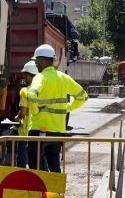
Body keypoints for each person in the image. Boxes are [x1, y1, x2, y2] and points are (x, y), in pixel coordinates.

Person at [26, 44, 88, 172]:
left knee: (36, 167)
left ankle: (41, 191)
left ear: (43, 61)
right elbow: (83, 96)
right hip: (58, 131)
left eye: (37, 61)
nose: (36, 65)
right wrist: (68, 108)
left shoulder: (40, 77)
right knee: (54, 166)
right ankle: (56, 191)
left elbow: (31, 93)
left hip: (40, 130)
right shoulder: (64, 78)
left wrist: (36, 109)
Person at [13, 60, 39, 168]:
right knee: (38, 158)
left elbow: (23, 112)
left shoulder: (25, 91)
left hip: (25, 132)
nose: (24, 77)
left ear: (29, 75)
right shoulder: (41, 89)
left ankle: (21, 179)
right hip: (38, 129)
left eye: (25, 74)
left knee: (22, 157)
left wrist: (17, 117)